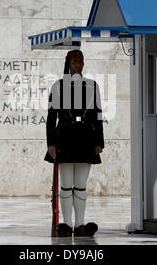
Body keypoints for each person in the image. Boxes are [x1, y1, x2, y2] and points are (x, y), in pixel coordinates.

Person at [45, 49, 105, 237]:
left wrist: (99, 141)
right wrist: (51, 143)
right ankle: (66, 224)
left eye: (80, 61)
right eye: (74, 62)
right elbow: (51, 117)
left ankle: (80, 224)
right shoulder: (58, 87)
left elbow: (98, 116)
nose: (78, 65)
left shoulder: (92, 86)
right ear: (68, 65)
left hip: (86, 138)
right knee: (66, 184)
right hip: (65, 138)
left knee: (80, 184)